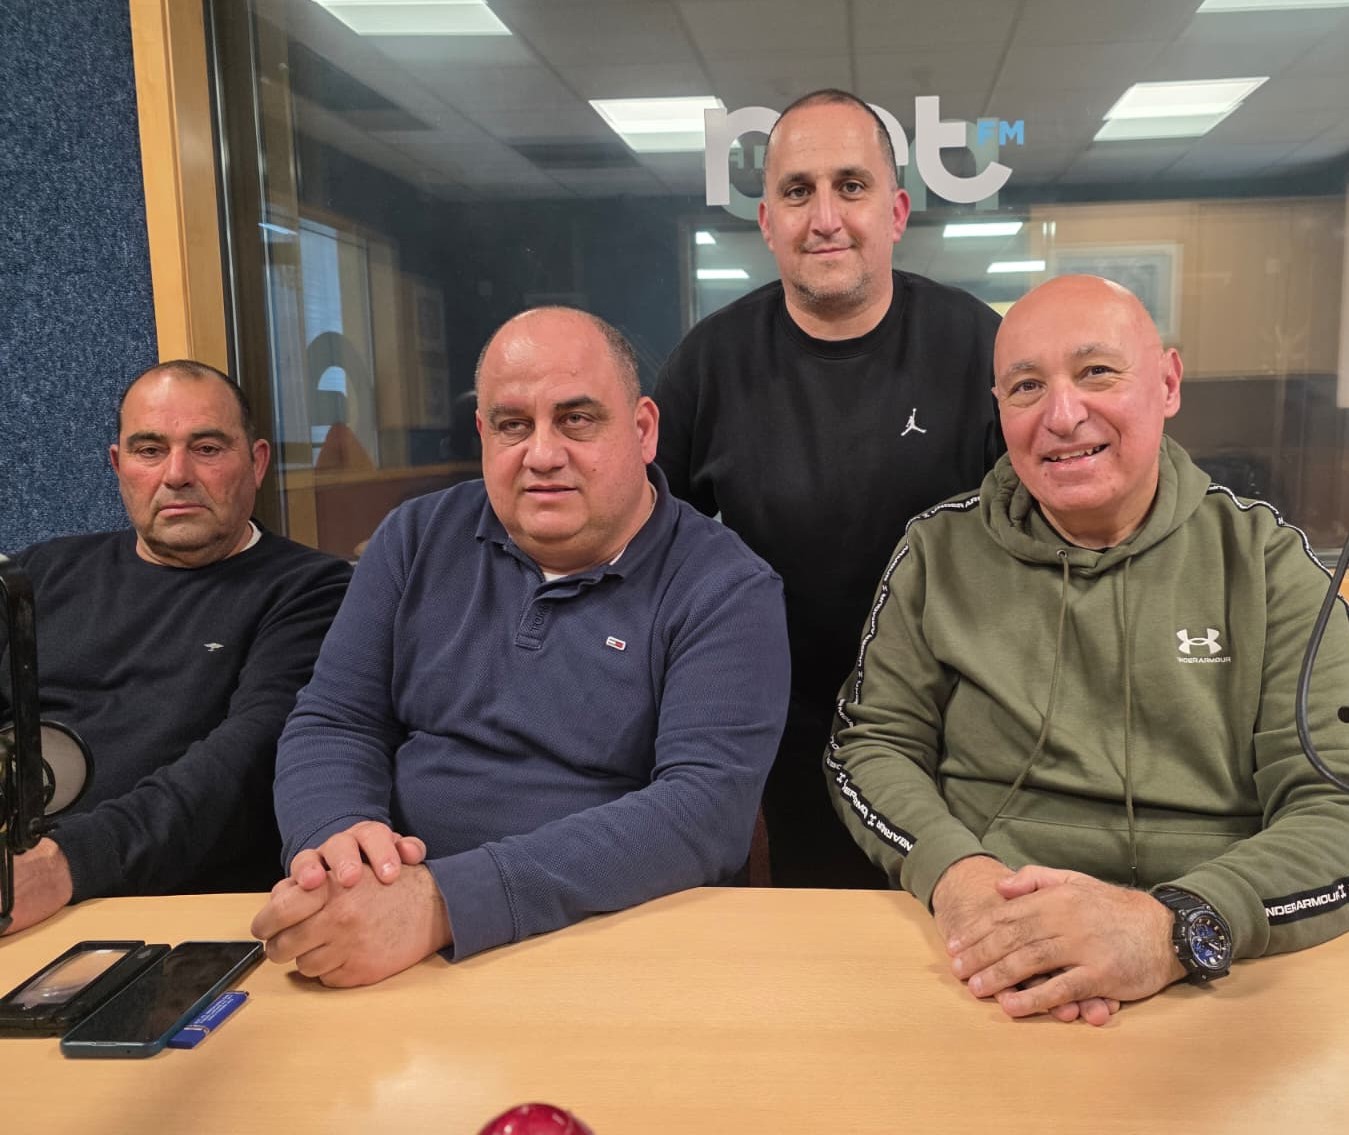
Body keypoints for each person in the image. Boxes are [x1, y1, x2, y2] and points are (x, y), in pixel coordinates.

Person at [826, 274, 1349, 1024]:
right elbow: (870, 746)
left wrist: (1170, 929)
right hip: (977, 950)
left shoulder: (1268, 566)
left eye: (1097, 371)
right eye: (1026, 387)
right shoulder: (937, 553)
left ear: (1167, 383)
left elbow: (1334, 802)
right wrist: (958, 877)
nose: (1062, 415)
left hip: (1215, 962)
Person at [251, 308, 789, 987]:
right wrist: (339, 850)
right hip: (392, 930)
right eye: (512, 425)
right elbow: (334, 720)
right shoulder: (414, 539)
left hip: (617, 950)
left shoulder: (725, 587)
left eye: (576, 419)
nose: (542, 455)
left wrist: (446, 903)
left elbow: (703, 813)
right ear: (483, 434)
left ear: (643, 430)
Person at [655, 88, 1003, 889]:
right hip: (787, 730)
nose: (824, 217)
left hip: (963, 723)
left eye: (850, 186)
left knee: (962, 927)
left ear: (895, 211)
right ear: (766, 220)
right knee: (827, 941)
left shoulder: (976, 346)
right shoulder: (709, 364)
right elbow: (646, 547)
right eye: (796, 191)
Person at [0, 360, 351, 933]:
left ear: (257, 462)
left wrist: (66, 865)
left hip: (170, 910)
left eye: (207, 449)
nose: (177, 474)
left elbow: (244, 762)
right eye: (149, 450)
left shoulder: (313, 592)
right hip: (21, 886)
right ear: (118, 464)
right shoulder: (39, 573)